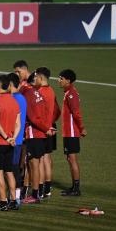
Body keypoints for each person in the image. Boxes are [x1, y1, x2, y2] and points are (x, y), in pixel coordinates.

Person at [20, 73, 51, 205]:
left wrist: (45, 128)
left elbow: (33, 118)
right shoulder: (38, 94)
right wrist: (47, 127)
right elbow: (45, 111)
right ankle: (37, 193)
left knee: (33, 165)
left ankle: (34, 195)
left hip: (34, 133)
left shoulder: (28, 93)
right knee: (36, 164)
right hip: (41, 134)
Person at [0, 74, 21, 211]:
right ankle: (14, 200)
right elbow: (18, 124)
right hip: (11, 143)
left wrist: (5, 137)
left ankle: (3, 202)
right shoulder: (14, 101)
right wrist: (13, 138)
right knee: (9, 172)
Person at [58, 69, 86, 197]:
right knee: (70, 158)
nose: (59, 80)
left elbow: (76, 113)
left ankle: (76, 188)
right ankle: (74, 187)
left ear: (68, 80)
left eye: (61, 78)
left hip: (71, 132)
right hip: (69, 132)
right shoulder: (69, 92)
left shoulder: (71, 94)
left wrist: (82, 128)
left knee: (72, 159)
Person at [36, 66, 60, 198]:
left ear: (40, 77)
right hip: (50, 126)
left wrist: (45, 125)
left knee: (39, 159)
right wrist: (52, 122)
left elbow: (37, 113)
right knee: (47, 157)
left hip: (42, 128)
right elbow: (57, 110)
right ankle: (47, 188)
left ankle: (39, 189)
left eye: (36, 77)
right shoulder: (51, 90)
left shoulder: (39, 92)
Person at [8, 72, 27, 203]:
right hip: (16, 138)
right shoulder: (20, 97)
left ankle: (16, 196)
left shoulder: (15, 98)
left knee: (13, 167)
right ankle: (14, 195)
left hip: (13, 139)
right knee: (12, 167)